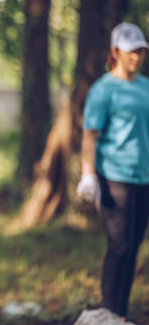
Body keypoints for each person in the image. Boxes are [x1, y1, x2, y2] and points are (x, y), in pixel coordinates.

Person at [76, 22, 149, 323]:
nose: (137, 57)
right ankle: (109, 311)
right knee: (118, 246)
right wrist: (88, 174)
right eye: (132, 51)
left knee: (132, 248)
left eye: (141, 51)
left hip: (144, 178)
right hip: (114, 178)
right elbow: (90, 135)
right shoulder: (103, 90)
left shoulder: (145, 87)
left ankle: (120, 315)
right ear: (116, 52)